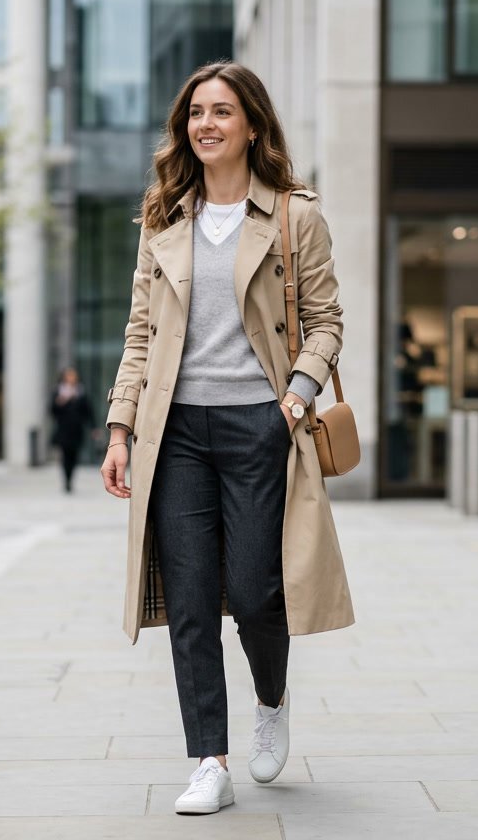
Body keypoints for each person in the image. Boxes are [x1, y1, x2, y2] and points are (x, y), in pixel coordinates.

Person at [99, 61, 353, 816]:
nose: (205, 124)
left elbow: (326, 320)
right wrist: (120, 427)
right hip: (174, 429)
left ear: (251, 125)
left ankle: (271, 697)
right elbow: (140, 333)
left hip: (259, 425)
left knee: (254, 592)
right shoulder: (164, 217)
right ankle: (208, 760)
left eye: (221, 112)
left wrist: (293, 399)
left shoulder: (294, 216)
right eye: (195, 113)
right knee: (189, 600)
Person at [49, 368, 94, 493]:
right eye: (69, 376)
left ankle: (70, 478)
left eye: (73, 376)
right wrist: (61, 402)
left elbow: (88, 412)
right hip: (63, 430)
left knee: (74, 457)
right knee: (65, 456)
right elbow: (52, 411)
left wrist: (93, 428)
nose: (71, 379)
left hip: (77, 431)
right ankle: (66, 480)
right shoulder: (59, 391)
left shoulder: (81, 392)